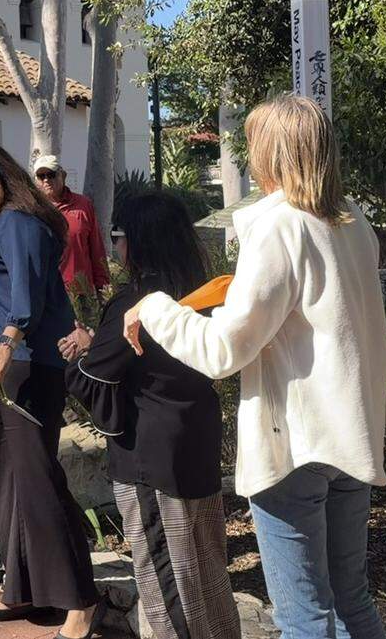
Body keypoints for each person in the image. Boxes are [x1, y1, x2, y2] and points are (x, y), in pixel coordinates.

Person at [123, 95, 386, 639]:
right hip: (350, 435)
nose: (248, 157)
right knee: (351, 603)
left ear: (271, 152)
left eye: (252, 145)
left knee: (305, 616)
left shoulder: (279, 227)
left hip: (293, 443)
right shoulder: (353, 221)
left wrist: (153, 307)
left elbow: (224, 350)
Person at [64, 191, 240, 639]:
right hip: (196, 441)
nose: (116, 248)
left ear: (137, 241)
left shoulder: (137, 303)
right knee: (208, 572)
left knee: (166, 583)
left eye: (118, 237)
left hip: (150, 456)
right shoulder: (204, 292)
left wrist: (83, 349)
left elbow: (90, 377)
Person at [0, 139, 102, 639]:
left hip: (25, 366)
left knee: (37, 482)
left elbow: (27, 294)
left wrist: (5, 346)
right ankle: (26, 589)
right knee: (6, 484)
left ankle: (81, 598)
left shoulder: (19, 223)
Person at [32, 155, 109, 299]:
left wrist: (103, 288)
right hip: (46, 295)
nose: (46, 180)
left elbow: (96, 248)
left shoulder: (83, 205)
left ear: (63, 176)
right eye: (41, 176)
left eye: (51, 174)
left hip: (82, 294)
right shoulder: (32, 210)